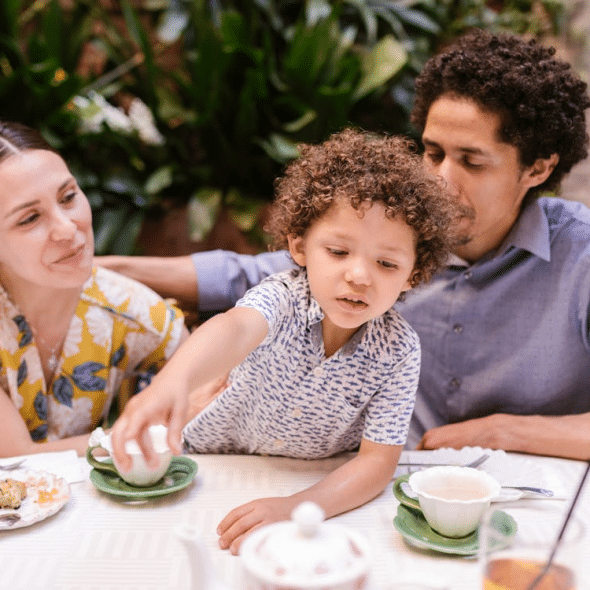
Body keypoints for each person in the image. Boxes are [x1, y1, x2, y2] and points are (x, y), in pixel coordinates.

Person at [100, 29, 590, 461]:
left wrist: (505, 431)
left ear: (538, 168)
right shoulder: (390, 238)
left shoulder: (581, 257)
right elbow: (248, 277)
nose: (441, 180)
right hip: (376, 487)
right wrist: (98, 267)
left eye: (472, 162)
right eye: (434, 153)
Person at [111, 128, 462, 553]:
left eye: (386, 263)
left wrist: (299, 506)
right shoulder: (283, 297)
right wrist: (173, 384)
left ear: (414, 274)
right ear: (299, 246)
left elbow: (376, 462)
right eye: (337, 252)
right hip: (211, 464)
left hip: (313, 481)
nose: (359, 275)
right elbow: (234, 328)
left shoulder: (400, 350)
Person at [0, 120, 188, 457]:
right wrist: (134, 433)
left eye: (69, 197)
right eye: (29, 219)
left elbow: (202, 409)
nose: (66, 229)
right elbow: (13, 456)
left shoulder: (133, 311)